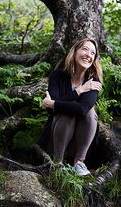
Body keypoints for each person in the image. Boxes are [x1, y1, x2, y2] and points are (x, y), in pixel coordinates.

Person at [40, 37, 103, 176]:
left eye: (93, 53)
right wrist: (79, 91)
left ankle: (79, 162)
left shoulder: (93, 82)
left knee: (90, 113)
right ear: (74, 52)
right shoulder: (57, 76)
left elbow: (82, 109)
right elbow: (54, 109)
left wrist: (55, 104)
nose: (88, 55)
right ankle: (58, 163)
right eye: (85, 49)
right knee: (67, 113)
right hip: (56, 139)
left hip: (79, 144)